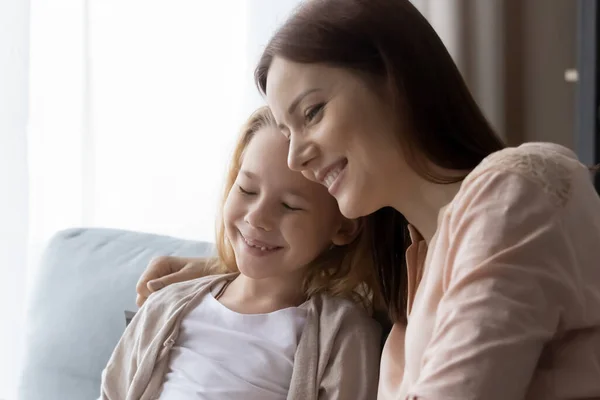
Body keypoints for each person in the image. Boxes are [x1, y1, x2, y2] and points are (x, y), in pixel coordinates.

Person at [137, 0, 600, 398]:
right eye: (288, 129)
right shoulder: (413, 270)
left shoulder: (516, 189)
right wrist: (218, 268)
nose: (297, 156)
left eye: (312, 112)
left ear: (394, 80)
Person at [101, 106, 382, 399]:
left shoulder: (342, 334)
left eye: (289, 205)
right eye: (247, 190)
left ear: (345, 226)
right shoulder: (165, 305)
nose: (256, 217)